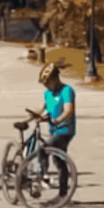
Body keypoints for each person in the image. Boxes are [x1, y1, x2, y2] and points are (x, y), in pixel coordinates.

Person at [39, 62, 76, 195]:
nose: (45, 86)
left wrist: (57, 120)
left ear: (55, 78)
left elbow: (69, 110)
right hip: (54, 131)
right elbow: (43, 109)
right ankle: (63, 194)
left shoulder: (67, 91)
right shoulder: (48, 93)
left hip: (65, 130)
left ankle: (44, 177)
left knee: (43, 149)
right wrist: (33, 117)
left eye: (47, 82)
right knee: (58, 161)